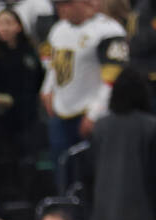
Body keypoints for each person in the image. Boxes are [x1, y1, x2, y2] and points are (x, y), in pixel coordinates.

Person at [87, 67, 156, 220]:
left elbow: (90, 171)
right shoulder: (150, 126)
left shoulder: (101, 126)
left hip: (103, 214)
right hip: (139, 216)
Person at [41, 0, 129, 176]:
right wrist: (47, 89)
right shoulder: (58, 29)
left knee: (94, 173)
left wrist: (94, 114)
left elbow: (113, 79)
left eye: (67, 4)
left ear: (85, 3)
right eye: (58, 5)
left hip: (93, 114)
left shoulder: (109, 31)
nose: (61, 9)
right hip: (61, 110)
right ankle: (65, 201)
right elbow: (54, 64)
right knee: (62, 168)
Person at [0, 8, 45, 204]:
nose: (4, 28)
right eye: (0, 23)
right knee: (2, 165)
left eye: (9, 23)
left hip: (27, 119)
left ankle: (27, 203)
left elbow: (39, 79)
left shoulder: (30, 52)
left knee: (28, 164)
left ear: (19, 26)